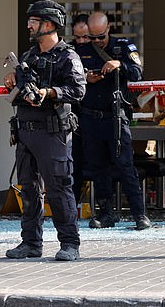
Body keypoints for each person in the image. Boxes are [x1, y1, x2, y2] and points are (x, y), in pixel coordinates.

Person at [3, 0, 86, 261]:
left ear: (48, 24)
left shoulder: (67, 57)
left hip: (52, 134)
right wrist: (13, 85)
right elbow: (17, 95)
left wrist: (49, 92)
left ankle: (70, 243)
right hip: (26, 132)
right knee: (28, 189)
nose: (29, 25)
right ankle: (31, 242)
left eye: (34, 21)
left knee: (58, 188)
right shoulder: (28, 57)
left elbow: (78, 90)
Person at [76, 11, 151, 230]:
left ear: (108, 28)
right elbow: (71, 78)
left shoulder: (124, 47)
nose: (96, 41)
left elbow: (138, 73)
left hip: (115, 117)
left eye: (100, 36)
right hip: (91, 117)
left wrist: (120, 65)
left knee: (125, 166)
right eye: (92, 37)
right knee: (98, 168)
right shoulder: (80, 51)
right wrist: (86, 78)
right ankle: (106, 213)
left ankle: (139, 214)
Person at [69, 14, 90, 203]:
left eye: (86, 37)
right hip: (75, 115)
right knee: (73, 161)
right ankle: (72, 204)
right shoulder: (68, 52)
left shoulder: (103, 51)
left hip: (98, 113)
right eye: (78, 37)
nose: (82, 41)